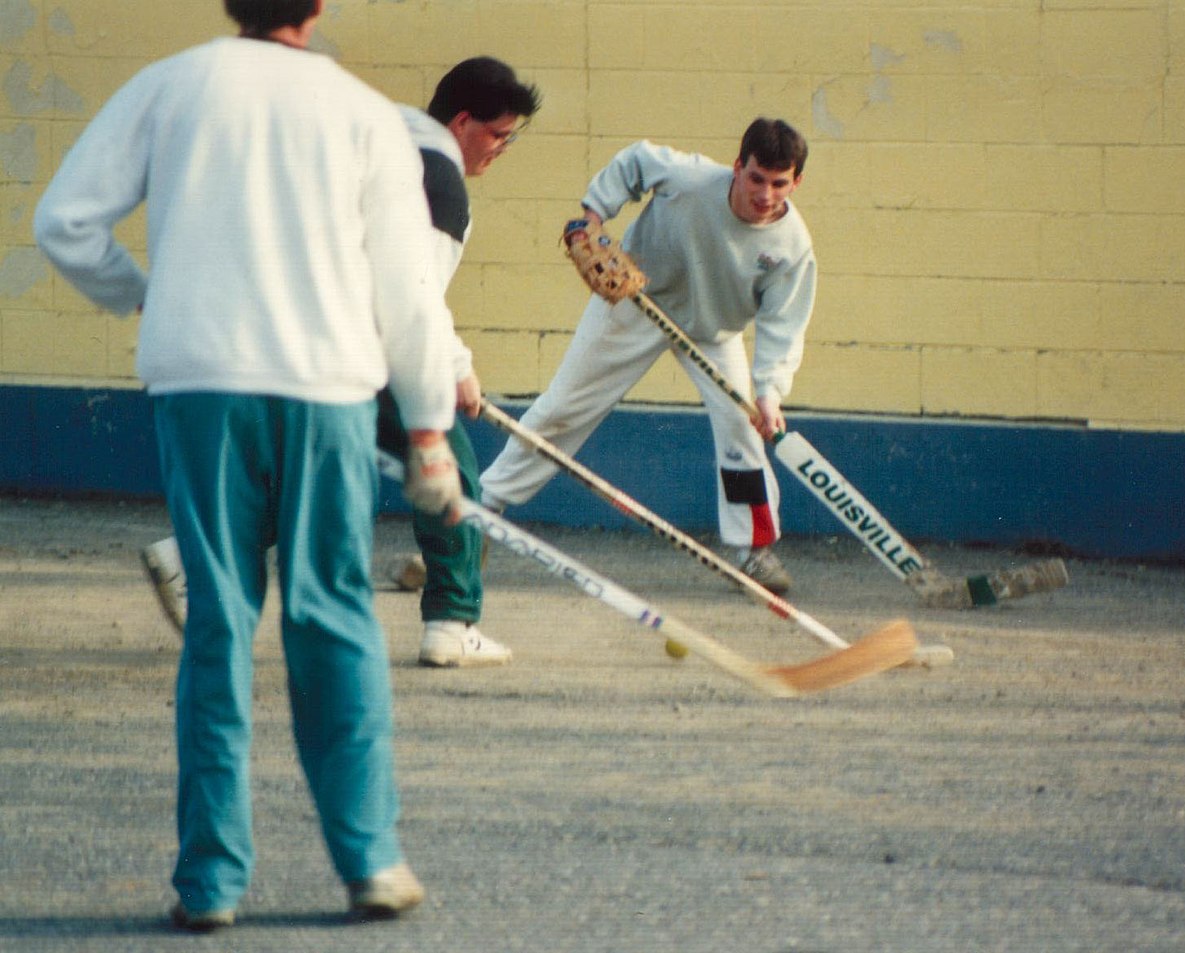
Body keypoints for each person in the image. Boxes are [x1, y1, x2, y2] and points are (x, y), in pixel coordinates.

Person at [34, 0, 461, 931]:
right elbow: (410, 290)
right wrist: (428, 429)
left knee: (219, 622)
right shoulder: (362, 113)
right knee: (335, 613)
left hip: (202, 387)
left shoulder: (171, 85)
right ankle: (372, 860)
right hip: (329, 389)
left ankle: (211, 880)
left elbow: (63, 222)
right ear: (318, 8)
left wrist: (148, 299)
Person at [141, 56, 541, 669]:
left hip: (284, 330)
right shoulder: (438, 183)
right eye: (498, 136)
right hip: (357, 340)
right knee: (452, 469)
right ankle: (453, 624)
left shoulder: (385, 131)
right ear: (463, 121)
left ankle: (188, 559)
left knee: (321, 471)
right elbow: (413, 297)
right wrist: (454, 367)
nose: (501, 150)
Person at [479, 118, 817, 595]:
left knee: (744, 429)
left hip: (712, 328)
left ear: (796, 182)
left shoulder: (792, 246)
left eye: (780, 184)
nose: (765, 194)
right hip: (637, 303)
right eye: (757, 178)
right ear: (738, 167)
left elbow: (784, 323)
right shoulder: (692, 179)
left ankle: (751, 552)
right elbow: (635, 160)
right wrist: (595, 215)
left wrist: (770, 394)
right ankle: (475, 518)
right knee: (562, 409)